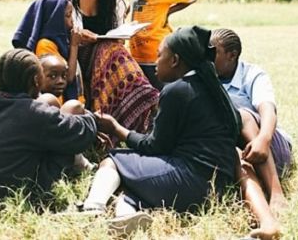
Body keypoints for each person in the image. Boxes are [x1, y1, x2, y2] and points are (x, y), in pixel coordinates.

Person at [78, 26, 242, 236]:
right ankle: (124, 218)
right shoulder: (215, 89)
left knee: (114, 159)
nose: (155, 63)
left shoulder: (177, 91)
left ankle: (93, 207)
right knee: (134, 184)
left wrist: (116, 128)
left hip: (189, 180)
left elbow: (154, 146)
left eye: (159, 56)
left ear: (174, 60)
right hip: (216, 188)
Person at [0, 48, 97, 202]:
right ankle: (84, 167)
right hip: (20, 193)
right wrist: (92, 118)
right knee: (72, 109)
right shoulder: (33, 113)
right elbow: (80, 134)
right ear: (37, 81)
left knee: (49, 102)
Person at [59, 0, 159, 135]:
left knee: (114, 50)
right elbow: (58, 36)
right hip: (74, 56)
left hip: (107, 53)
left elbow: (118, 35)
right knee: (112, 52)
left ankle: (148, 106)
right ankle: (148, 106)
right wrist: (77, 38)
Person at [211, 28, 294, 240]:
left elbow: (268, 110)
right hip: (244, 152)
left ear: (232, 55)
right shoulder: (209, 78)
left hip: (271, 149)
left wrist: (263, 140)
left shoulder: (252, 74)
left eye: (214, 53)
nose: (209, 58)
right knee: (234, 156)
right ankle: (262, 216)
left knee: (242, 116)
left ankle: (276, 192)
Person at [129, 0, 198, 90]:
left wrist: (169, 11)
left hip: (156, 51)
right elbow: (136, 2)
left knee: (161, 94)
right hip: (136, 50)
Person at [12, 0, 84, 103]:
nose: (72, 21)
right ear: (54, 19)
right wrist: (74, 46)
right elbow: (68, 77)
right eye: (68, 15)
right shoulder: (45, 44)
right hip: (56, 103)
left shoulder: (60, 40)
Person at [37, 53, 95, 173]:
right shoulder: (43, 101)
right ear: (37, 78)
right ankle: (81, 165)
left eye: (64, 76)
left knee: (74, 108)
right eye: (52, 76)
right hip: (40, 165)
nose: (60, 81)